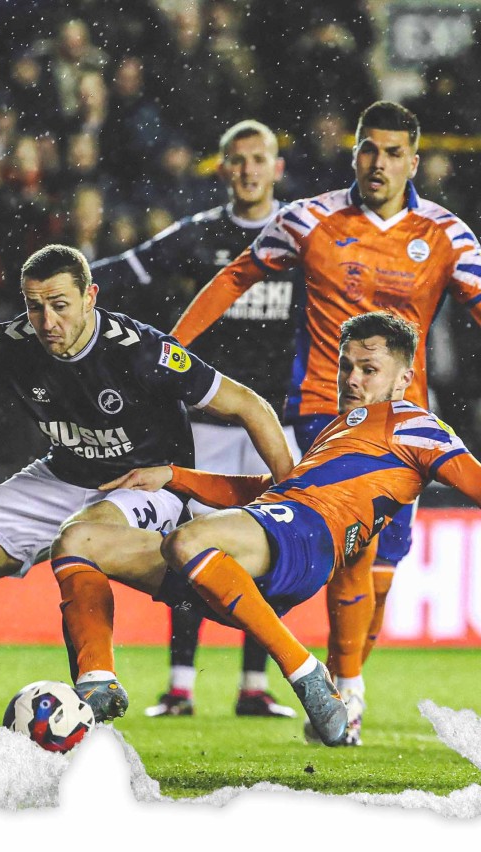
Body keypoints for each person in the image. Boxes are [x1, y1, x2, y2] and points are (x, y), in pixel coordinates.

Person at [0, 243, 293, 759]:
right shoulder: (12, 342)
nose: (46, 320)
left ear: (90, 297)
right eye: (34, 306)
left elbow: (249, 405)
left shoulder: (141, 350)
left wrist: (292, 496)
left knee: (81, 535)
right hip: (60, 475)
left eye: (60, 304)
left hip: (143, 484)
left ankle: (95, 688)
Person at [168, 101, 481, 743]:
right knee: (355, 559)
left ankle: (345, 686)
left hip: (410, 427)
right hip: (322, 413)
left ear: (413, 161)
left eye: (394, 152)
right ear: (355, 152)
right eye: (369, 148)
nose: (379, 162)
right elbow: (236, 276)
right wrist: (170, 354)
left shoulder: (449, 235)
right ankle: (341, 695)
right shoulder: (308, 219)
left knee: (381, 572)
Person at [49, 311, 481, 747]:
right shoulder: (340, 429)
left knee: (189, 538)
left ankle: (303, 670)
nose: (353, 379)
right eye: (346, 366)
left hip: (307, 540)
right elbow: (270, 488)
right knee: (76, 539)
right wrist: (174, 476)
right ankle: (98, 681)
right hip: (256, 550)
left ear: (404, 378)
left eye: (369, 370)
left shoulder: (419, 428)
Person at [91, 119, 301, 719]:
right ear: (223, 167)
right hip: (207, 420)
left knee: (269, 549)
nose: (248, 169)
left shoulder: (303, 237)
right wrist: (72, 286)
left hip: (277, 421)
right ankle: (181, 685)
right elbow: (127, 270)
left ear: (276, 168)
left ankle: (253, 687)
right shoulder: (201, 234)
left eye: (259, 158)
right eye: (237, 160)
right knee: (191, 546)